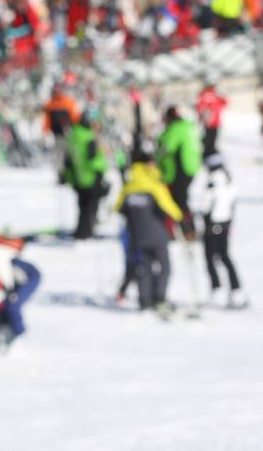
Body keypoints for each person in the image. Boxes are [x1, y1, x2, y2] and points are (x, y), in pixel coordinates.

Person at [113, 152, 183, 314]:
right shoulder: (154, 184)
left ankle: (144, 299)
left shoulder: (128, 186)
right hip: (157, 234)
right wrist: (182, 220)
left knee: (143, 267)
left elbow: (118, 208)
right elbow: (169, 207)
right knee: (164, 266)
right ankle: (159, 298)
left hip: (137, 235)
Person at [201, 154, 247, 309]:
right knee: (225, 257)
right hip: (225, 224)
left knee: (210, 258)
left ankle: (217, 289)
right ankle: (236, 289)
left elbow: (205, 206)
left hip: (211, 225)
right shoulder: (229, 181)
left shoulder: (212, 184)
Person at [156, 106, 203, 239]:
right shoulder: (189, 126)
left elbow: (167, 147)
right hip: (192, 167)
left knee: (179, 200)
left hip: (181, 168)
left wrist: (155, 157)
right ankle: (187, 230)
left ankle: (188, 230)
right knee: (181, 199)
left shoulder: (176, 128)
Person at [62, 113, 107, 240]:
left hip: (77, 177)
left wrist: (68, 175)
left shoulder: (73, 136)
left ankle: (81, 231)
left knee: (82, 207)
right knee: (91, 207)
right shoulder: (89, 137)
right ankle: (87, 233)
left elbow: (68, 159)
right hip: (91, 177)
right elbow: (92, 158)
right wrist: (101, 171)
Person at [195, 82, 227, 159]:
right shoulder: (206, 95)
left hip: (215, 121)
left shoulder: (215, 95)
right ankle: (208, 152)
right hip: (210, 121)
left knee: (213, 137)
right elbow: (200, 107)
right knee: (209, 137)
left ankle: (211, 151)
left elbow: (224, 103)